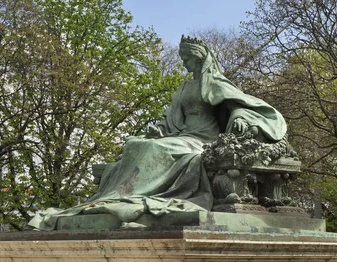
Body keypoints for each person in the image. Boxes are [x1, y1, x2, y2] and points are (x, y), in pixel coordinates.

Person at [27, 35, 288, 231]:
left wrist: (241, 119)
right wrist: (159, 129)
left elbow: (243, 107)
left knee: (158, 149)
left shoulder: (216, 84)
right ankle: (119, 196)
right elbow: (172, 121)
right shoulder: (184, 88)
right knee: (136, 144)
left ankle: (136, 195)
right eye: (183, 57)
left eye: (188, 58)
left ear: (199, 58)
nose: (184, 62)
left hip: (204, 141)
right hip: (182, 135)